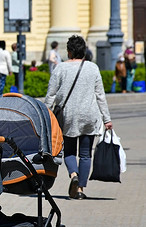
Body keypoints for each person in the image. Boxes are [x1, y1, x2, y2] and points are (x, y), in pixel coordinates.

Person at [44, 35, 113, 200]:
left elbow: (50, 95)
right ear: (84, 51)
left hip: (68, 116)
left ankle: (73, 174)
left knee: (68, 151)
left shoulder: (60, 68)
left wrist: (46, 114)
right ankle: (80, 189)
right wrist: (107, 119)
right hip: (90, 115)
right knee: (85, 154)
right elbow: (100, 96)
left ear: (68, 51)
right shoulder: (93, 68)